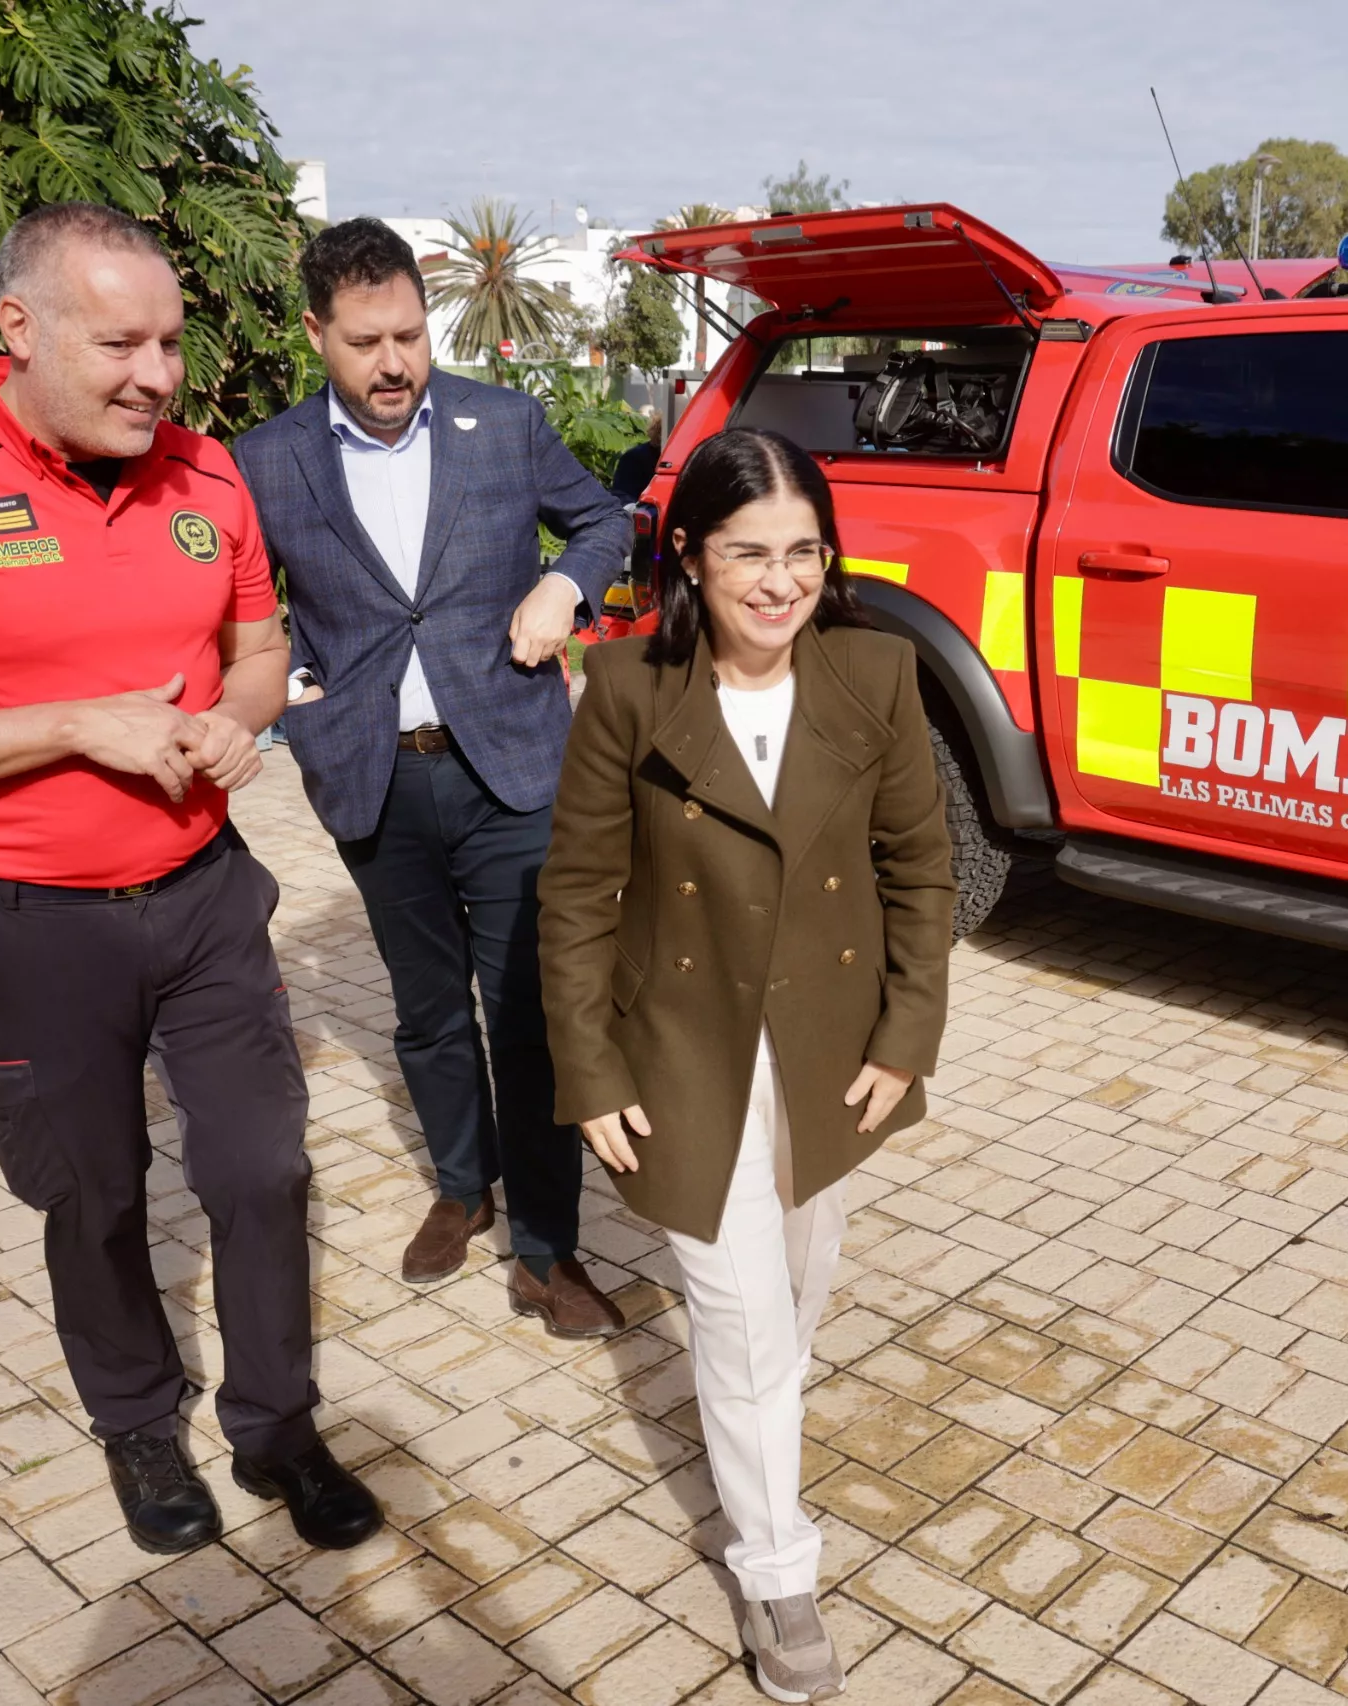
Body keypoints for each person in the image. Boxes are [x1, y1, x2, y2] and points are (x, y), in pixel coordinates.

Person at [0, 203, 379, 1555]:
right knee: (93, 1188)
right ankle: (134, 1418)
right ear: (19, 330)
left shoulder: (205, 476)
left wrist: (243, 716)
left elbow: (255, 647)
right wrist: (69, 723)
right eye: (120, 342)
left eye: (170, 341)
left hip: (205, 895)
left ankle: (279, 1424)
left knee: (261, 1164)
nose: (157, 375)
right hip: (25, 926)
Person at [539, 428, 954, 1701]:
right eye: (748, 554)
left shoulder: (878, 676)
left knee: (799, 1297)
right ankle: (778, 1571)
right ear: (691, 559)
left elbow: (920, 871)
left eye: (803, 552)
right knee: (743, 1321)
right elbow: (577, 895)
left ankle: (758, 1458)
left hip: (830, 1054)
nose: (780, 582)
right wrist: (591, 1069)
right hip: (687, 1055)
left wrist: (904, 1035)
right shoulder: (625, 687)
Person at [235, 220, 632, 1323]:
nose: (394, 363)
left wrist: (567, 589)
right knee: (425, 1012)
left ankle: (549, 1248)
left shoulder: (500, 425)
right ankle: (464, 1187)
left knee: (531, 1014)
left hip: (511, 769)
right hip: (373, 779)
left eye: (409, 334)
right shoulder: (267, 460)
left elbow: (607, 517)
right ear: (317, 334)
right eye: (366, 342)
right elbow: (227, 602)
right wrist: (289, 692)